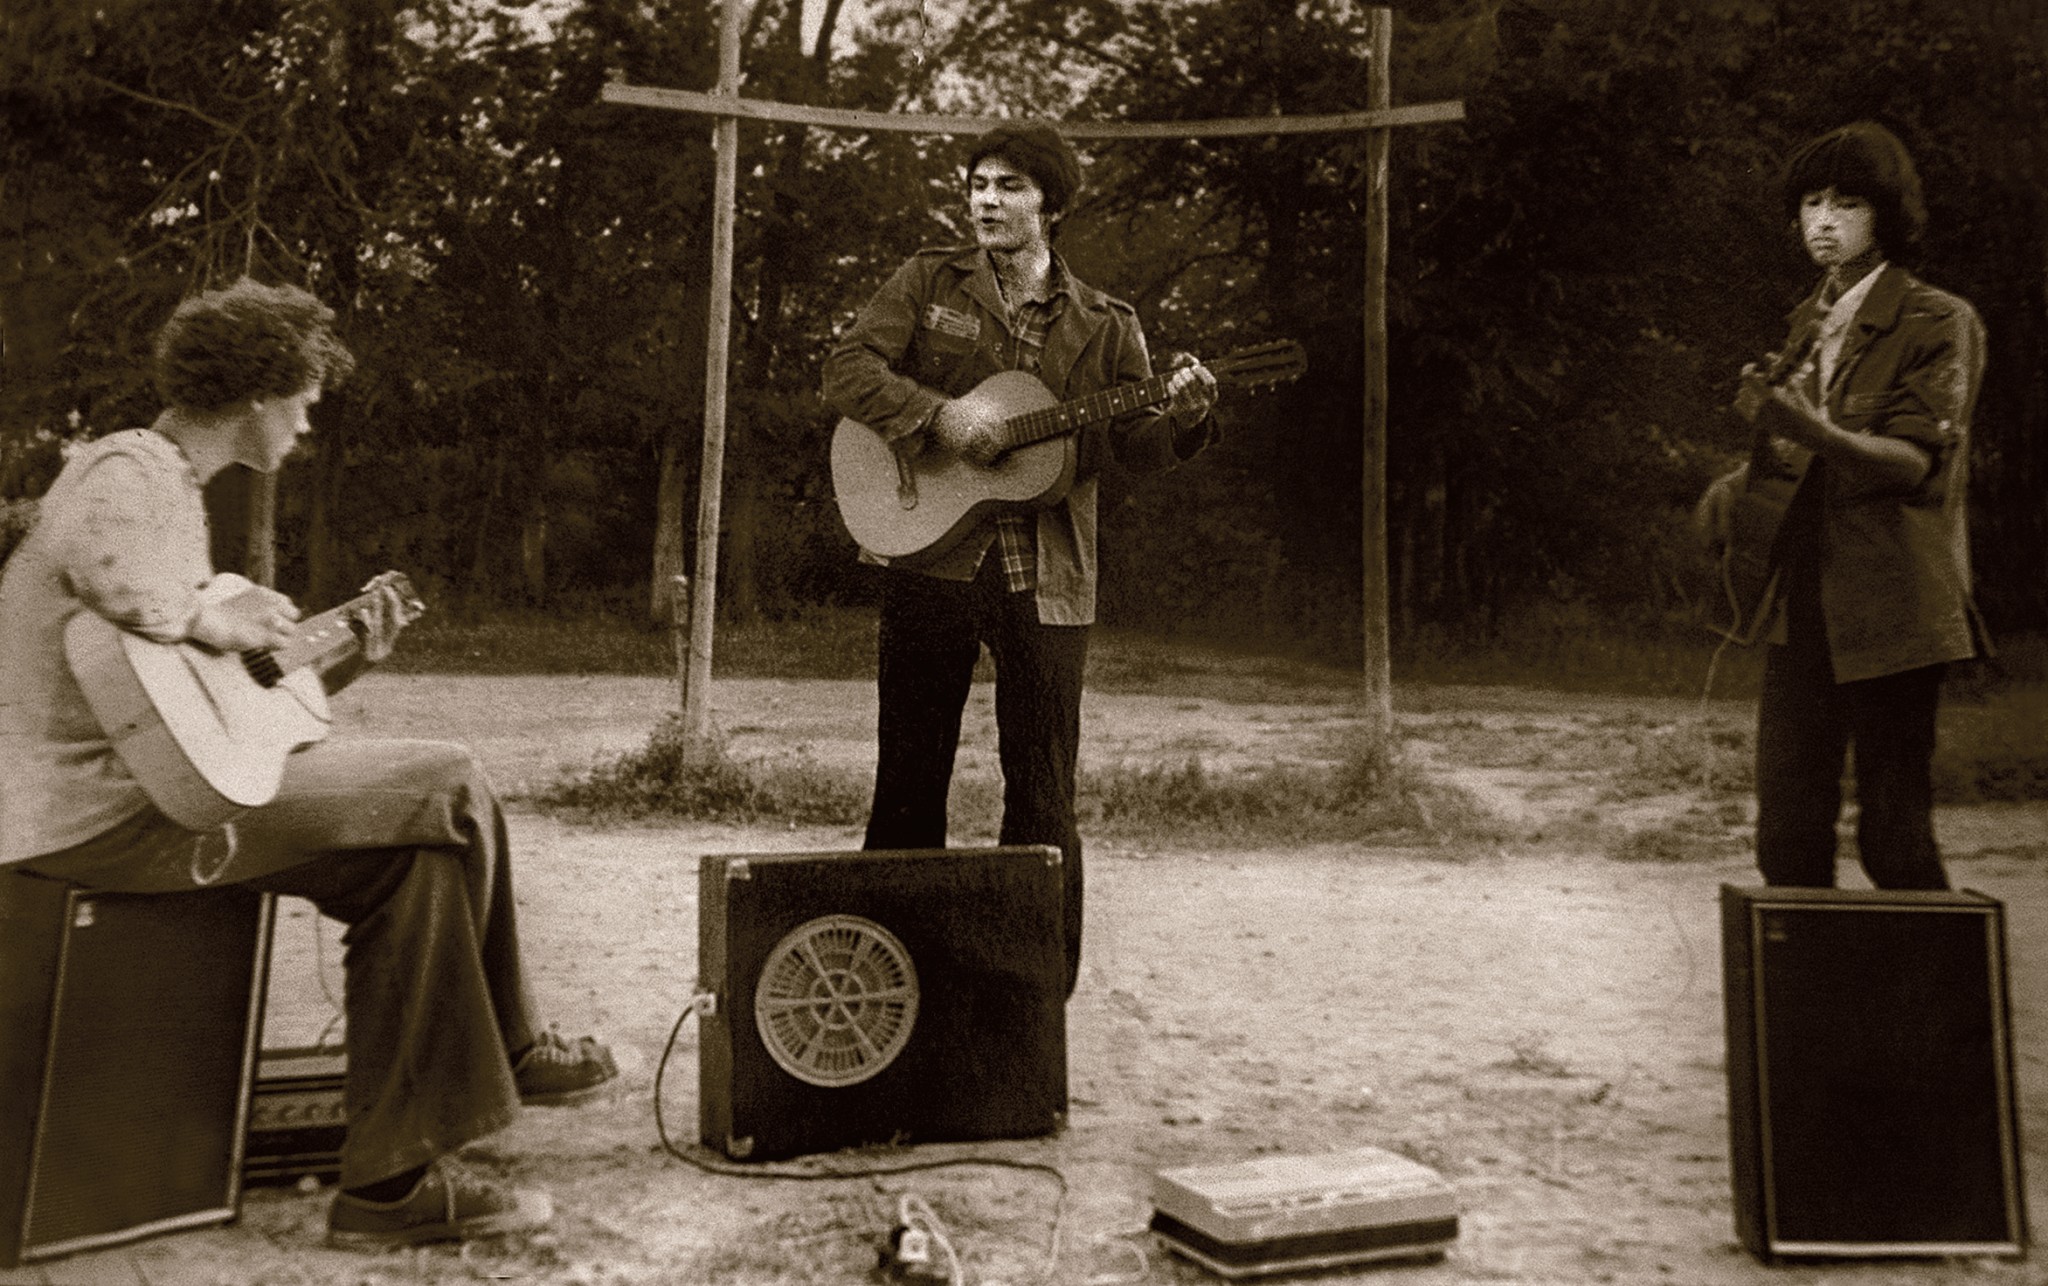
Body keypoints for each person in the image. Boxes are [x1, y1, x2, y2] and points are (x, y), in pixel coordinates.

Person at [0, 279, 616, 1249]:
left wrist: (338, 653)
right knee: (449, 776)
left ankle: (388, 1184)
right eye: (304, 400)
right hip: (104, 818)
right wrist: (213, 615)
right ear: (259, 394)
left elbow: (191, 707)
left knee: (411, 864)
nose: (307, 423)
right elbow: (106, 566)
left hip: (144, 795)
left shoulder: (171, 491)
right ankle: (513, 1043)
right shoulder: (127, 466)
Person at [821, 123, 1220, 997]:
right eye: (978, 185)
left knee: (1041, 792)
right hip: (930, 562)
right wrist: (941, 416)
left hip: (1048, 579)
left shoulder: (1108, 323)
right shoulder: (930, 280)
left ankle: (1032, 999)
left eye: (1009, 187)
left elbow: (1134, 444)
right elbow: (847, 369)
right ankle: (889, 985)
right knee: (908, 780)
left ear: (1052, 206)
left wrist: (1186, 420)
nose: (986, 201)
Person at [1695, 121, 1988, 890]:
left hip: (1897, 607)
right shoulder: (1810, 318)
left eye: (1848, 204)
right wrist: (1740, 480)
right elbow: (1807, 454)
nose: (1824, 222)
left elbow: (1913, 463)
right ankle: (1809, 978)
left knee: (1894, 839)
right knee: (1787, 837)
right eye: (1811, 203)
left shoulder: (1938, 318)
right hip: (1803, 606)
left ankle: (1935, 977)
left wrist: (1810, 431)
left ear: (1886, 214)